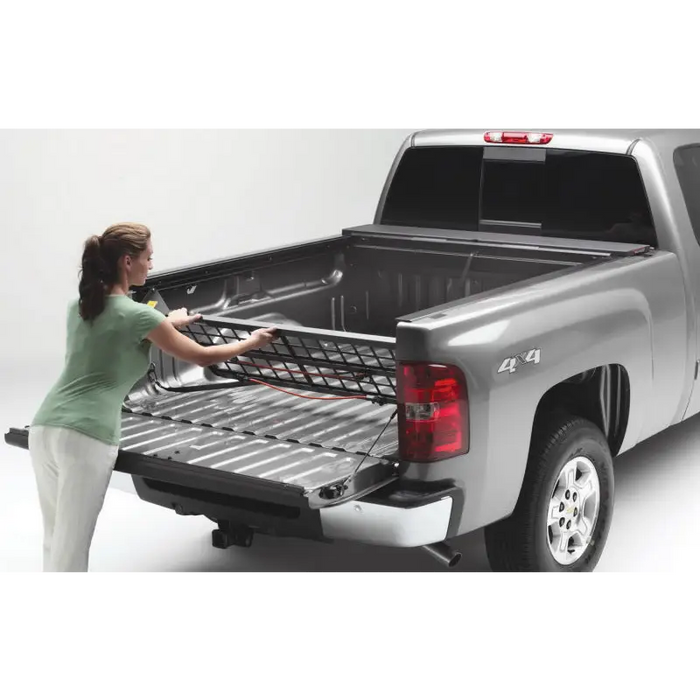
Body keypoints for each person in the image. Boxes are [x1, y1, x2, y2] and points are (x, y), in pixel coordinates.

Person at [28, 223, 277, 576]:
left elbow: (121, 328)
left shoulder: (79, 306)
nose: (152, 266)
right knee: (73, 548)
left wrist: (166, 321)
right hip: (87, 436)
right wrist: (251, 342)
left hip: (45, 427)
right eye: (148, 258)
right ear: (127, 262)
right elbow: (204, 356)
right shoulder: (139, 315)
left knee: (55, 541)